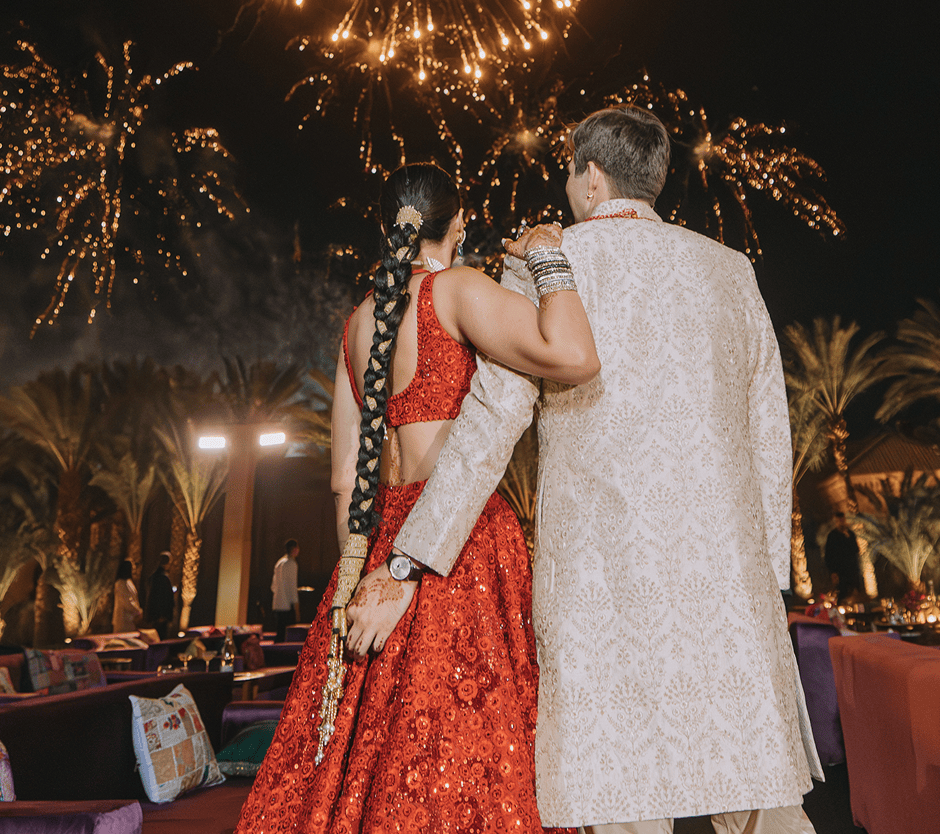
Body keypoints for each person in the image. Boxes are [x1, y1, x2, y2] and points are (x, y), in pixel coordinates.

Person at [359, 106, 822, 834]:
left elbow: (489, 423)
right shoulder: (731, 270)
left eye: (569, 169)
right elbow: (771, 430)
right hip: (726, 573)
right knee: (756, 789)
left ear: (591, 176)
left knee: (621, 797)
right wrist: (769, 573)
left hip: (601, 574)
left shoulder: (544, 264)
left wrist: (409, 557)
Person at [235, 162, 600, 833]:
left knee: (357, 755)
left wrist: (360, 576)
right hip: (455, 541)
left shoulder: (357, 323)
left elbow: (347, 478)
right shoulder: (457, 291)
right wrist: (546, 260)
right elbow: (572, 354)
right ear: (458, 223)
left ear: (386, 225)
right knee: (464, 753)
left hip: (376, 546)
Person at [144, 551, 178, 639]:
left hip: (153, 614)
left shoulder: (153, 576)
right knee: (161, 638)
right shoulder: (164, 578)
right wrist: (165, 615)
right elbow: (165, 598)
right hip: (161, 616)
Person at [270, 540, 301, 637]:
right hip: (287, 605)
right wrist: (297, 608)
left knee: (279, 633)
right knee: (287, 635)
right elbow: (292, 587)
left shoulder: (279, 563)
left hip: (277, 603)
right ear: (295, 549)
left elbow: (273, 586)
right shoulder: (291, 563)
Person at [112, 559, 141, 633]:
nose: (134, 571)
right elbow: (127, 601)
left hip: (130, 619)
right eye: (132, 569)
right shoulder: (121, 583)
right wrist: (138, 611)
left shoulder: (128, 582)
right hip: (123, 619)